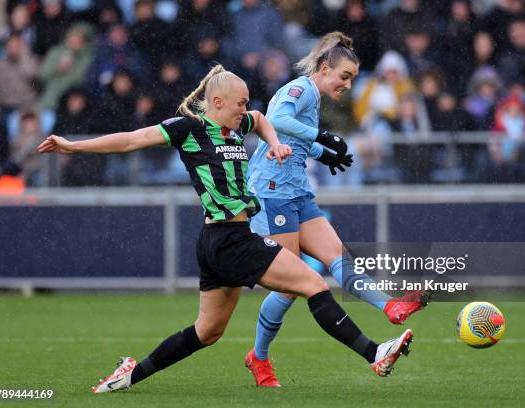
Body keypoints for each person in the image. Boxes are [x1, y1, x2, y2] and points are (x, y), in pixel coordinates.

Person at [37, 65, 415, 393]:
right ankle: (375, 353)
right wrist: (74, 147)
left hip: (220, 242)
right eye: (239, 103)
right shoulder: (189, 129)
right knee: (313, 285)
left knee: (208, 332)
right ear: (217, 103)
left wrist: (275, 145)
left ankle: (130, 375)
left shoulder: (240, 124)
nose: (244, 109)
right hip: (229, 240)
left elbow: (264, 119)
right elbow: (133, 139)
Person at [245, 32, 430, 387]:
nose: (347, 85)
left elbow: (294, 140)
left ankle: (390, 306)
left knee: (339, 258)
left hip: (297, 191)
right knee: (289, 286)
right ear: (325, 68)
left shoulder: (314, 99)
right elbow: (276, 120)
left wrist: (324, 154)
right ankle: (259, 358)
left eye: (353, 79)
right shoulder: (300, 90)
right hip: (272, 193)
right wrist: (324, 138)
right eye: (344, 77)